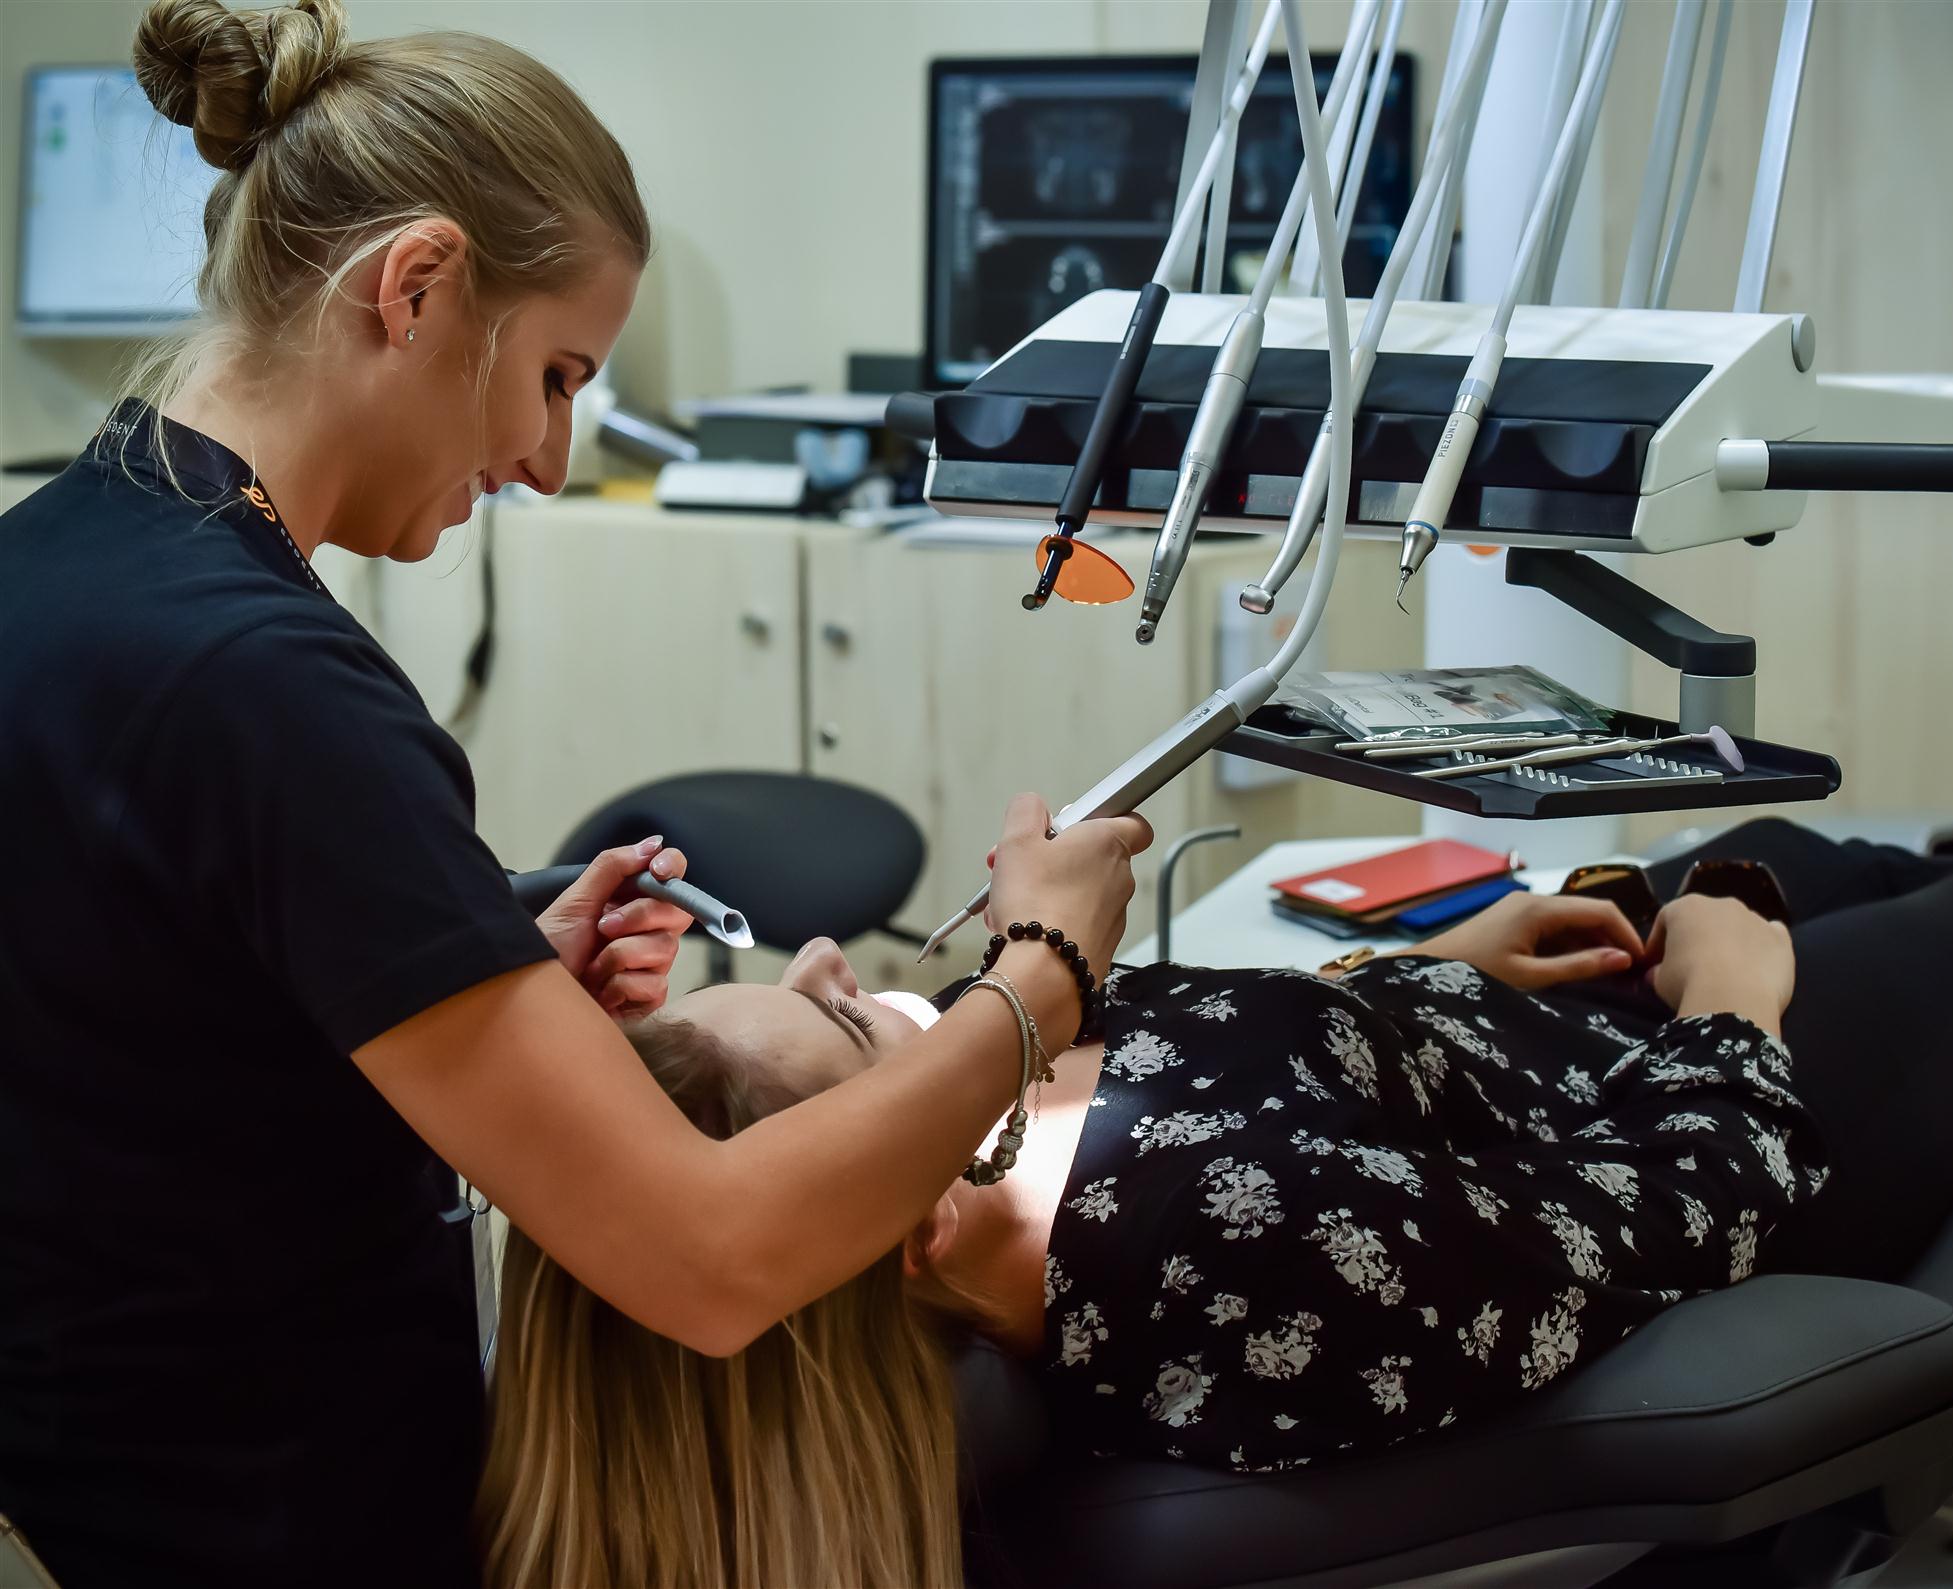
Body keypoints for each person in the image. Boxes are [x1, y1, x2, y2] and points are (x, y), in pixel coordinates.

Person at [0, 4, 1148, 1586]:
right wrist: (1033, 984)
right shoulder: (270, 688)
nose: (544, 459)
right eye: (554, 377)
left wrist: (478, 975)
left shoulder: (52, 568)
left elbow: (141, 1057)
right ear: (415, 289)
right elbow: (714, 1255)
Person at [475, 820, 1953, 1589]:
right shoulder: (1233, 1253)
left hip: (1530, 1024)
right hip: (1736, 1110)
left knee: (1811, 851)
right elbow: (1674, 1205)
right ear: (908, 1214)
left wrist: (1444, 969)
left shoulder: (980, 1122)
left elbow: (1247, 1067)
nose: (823, 952)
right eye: (847, 1021)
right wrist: (1738, 990)